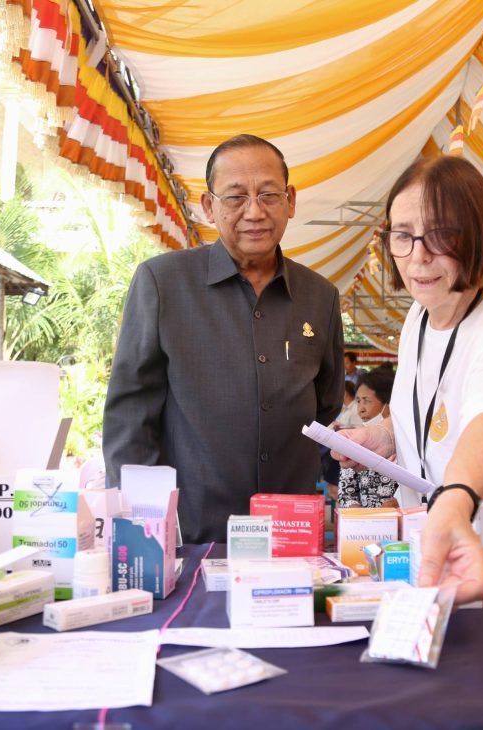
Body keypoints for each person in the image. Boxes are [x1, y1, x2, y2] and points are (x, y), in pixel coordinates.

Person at [333, 156, 483, 606]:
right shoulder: (420, 316)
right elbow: (428, 412)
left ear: (476, 236)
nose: (418, 256)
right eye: (403, 235)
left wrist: (454, 502)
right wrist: (381, 436)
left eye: (439, 235)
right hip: (436, 540)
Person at [102, 134, 345, 544]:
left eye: (268, 194)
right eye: (235, 197)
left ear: (290, 201)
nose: (255, 211)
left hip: (291, 532)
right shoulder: (163, 283)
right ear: (208, 206)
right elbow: (130, 420)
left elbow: (325, 403)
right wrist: (145, 530)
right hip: (194, 533)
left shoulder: (320, 296)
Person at [337, 368, 398, 508]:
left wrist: (393, 507)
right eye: (358, 401)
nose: (361, 409)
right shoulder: (356, 442)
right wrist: (361, 515)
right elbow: (346, 494)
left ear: (388, 403)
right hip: (363, 519)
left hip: (401, 518)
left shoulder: (405, 445)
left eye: (367, 401)